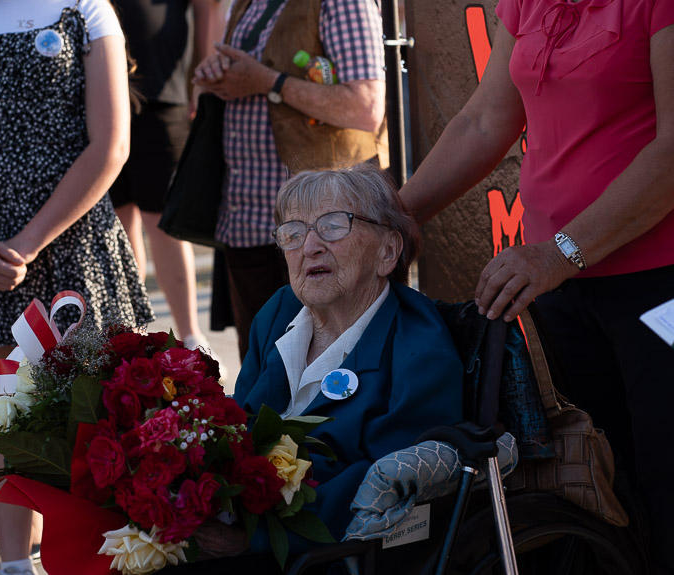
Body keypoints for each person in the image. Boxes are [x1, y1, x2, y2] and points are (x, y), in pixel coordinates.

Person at [396, 0, 674, 571]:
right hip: (561, 288)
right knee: (592, 487)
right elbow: (485, 120)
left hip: (656, 284)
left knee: (667, 477)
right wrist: (394, 218)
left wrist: (559, 253)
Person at [0, 1, 154, 574]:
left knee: (89, 415)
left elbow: (110, 143)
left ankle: (90, 561)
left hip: (69, 241)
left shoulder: (86, 8)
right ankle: (16, 565)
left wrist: (30, 240)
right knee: (4, 416)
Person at [185, 164, 464, 569]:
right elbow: (239, 423)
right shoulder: (278, 312)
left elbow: (389, 489)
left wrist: (254, 537)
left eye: (334, 226)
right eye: (293, 233)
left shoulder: (418, 350)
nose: (310, 246)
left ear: (388, 252)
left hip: (336, 551)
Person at [192, 0, 388, 362]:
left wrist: (269, 81)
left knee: (337, 378)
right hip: (245, 224)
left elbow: (366, 106)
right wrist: (214, 73)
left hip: (322, 234)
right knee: (263, 382)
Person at [109, 0, 225, 359]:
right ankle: (130, 334)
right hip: (99, 96)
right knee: (116, 222)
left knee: (165, 220)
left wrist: (201, 78)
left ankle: (190, 334)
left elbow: (208, 7)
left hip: (163, 92)